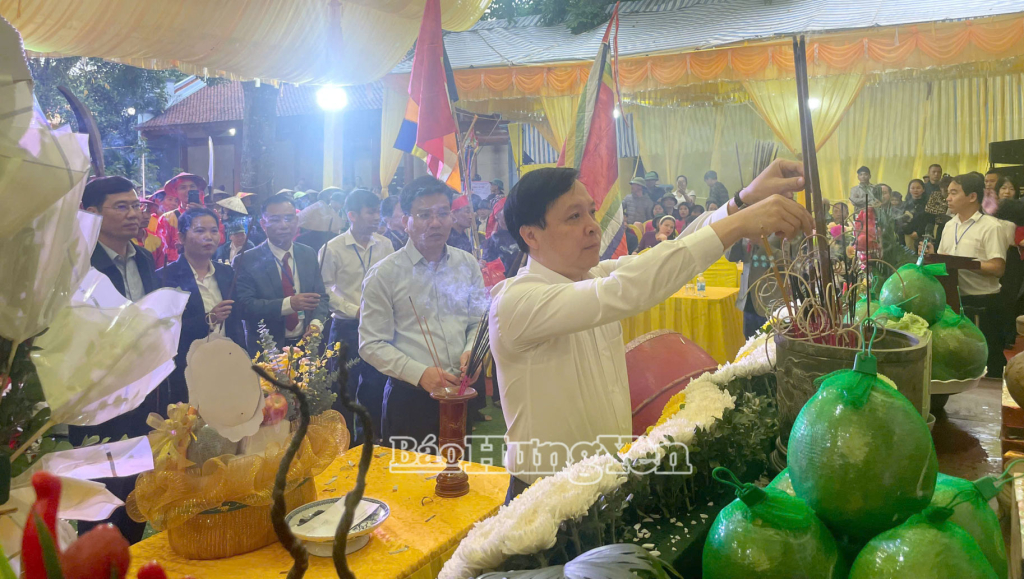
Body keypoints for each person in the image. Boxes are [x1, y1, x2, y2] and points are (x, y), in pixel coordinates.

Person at [491, 160, 811, 500]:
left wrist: (740, 203)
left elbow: (665, 255)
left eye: (591, 213)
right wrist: (738, 224)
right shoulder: (516, 301)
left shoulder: (591, 277)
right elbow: (630, 287)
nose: (592, 227)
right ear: (530, 235)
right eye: (574, 217)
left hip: (607, 483)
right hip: (545, 498)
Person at [359, 176, 488, 448]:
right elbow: (371, 343)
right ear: (405, 221)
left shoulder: (467, 264)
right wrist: (420, 374)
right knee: (409, 484)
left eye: (443, 213)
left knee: (457, 476)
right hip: (410, 398)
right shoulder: (385, 274)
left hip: (459, 393)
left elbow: (478, 321)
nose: (436, 222)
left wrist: (471, 351)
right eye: (424, 215)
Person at [78, 176, 161, 543]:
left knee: (136, 493)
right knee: (99, 498)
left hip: (142, 394)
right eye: (121, 206)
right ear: (91, 213)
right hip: (98, 397)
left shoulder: (143, 258)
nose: (133, 215)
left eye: (135, 206)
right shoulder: (78, 265)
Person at [320, 189, 395, 441]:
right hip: (345, 327)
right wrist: (355, 310)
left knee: (376, 385)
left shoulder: (385, 244)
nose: (376, 217)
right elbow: (325, 289)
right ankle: (343, 443)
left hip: (379, 327)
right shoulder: (333, 248)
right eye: (370, 212)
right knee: (343, 389)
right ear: (352, 215)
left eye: (378, 212)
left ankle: (371, 440)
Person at [156, 208, 246, 403]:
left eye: (214, 231)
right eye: (199, 231)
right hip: (187, 369)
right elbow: (163, 329)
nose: (209, 237)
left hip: (227, 364)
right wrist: (208, 320)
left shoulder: (225, 272)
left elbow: (236, 321)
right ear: (181, 237)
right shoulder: (165, 276)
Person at [927, 172, 1008, 378]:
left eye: (954, 193)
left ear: (972, 197)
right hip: (954, 302)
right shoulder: (948, 225)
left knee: (990, 364)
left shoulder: (991, 226)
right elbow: (944, 262)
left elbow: (998, 268)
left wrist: (963, 263)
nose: (948, 198)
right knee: (961, 362)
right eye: (948, 193)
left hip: (984, 305)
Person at [234, 193, 329, 354]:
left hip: (306, 345)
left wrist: (316, 324)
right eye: (275, 219)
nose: (284, 225)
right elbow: (245, 307)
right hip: (266, 348)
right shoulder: (246, 260)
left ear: (297, 221)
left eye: (289, 218)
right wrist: (289, 304)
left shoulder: (308, 254)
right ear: (263, 224)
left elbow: (321, 296)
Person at [155, 173, 208, 264]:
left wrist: (201, 213)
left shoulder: (209, 215)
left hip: (204, 266)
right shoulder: (167, 218)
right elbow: (161, 248)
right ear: (176, 192)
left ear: (197, 190)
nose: (188, 190)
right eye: (183, 188)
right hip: (177, 269)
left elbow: (219, 240)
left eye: (192, 186)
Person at [484, 198, 522, 274]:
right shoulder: (493, 240)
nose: (510, 219)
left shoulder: (523, 235)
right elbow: (488, 262)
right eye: (497, 219)